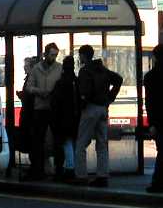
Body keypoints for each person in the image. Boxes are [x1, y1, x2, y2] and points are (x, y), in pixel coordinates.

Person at [71, 45, 123, 187]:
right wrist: (109, 98)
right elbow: (119, 79)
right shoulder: (102, 70)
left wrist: (83, 103)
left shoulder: (85, 71)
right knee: (101, 143)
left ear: (83, 56)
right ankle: (102, 175)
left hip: (90, 108)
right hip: (103, 109)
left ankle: (81, 176)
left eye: (80, 55)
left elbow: (85, 92)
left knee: (81, 143)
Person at [25, 43, 63, 180]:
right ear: (45, 54)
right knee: (38, 140)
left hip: (54, 108)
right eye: (52, 54)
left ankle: (59, 170)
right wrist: (40, 92)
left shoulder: (59, 68)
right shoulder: (36, 69)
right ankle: (38, 170)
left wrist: (54, 94)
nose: (54, 57)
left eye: (55, 55)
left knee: (58, 140)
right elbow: (29, 87)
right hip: (40, 107)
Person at [50, 56, 80, 181]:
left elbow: (55, 102)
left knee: (64, 143)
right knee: (73, 143)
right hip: (75, 117)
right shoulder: (76, 81)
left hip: (62, 118)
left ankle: (67, 169)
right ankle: (73, 168)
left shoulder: (60, 83)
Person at [145, 44, 163, 193]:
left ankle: (157, 183)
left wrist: (152, 123)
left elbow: (149, 102)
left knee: (161, 151)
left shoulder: (150, 77)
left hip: (159, 120)